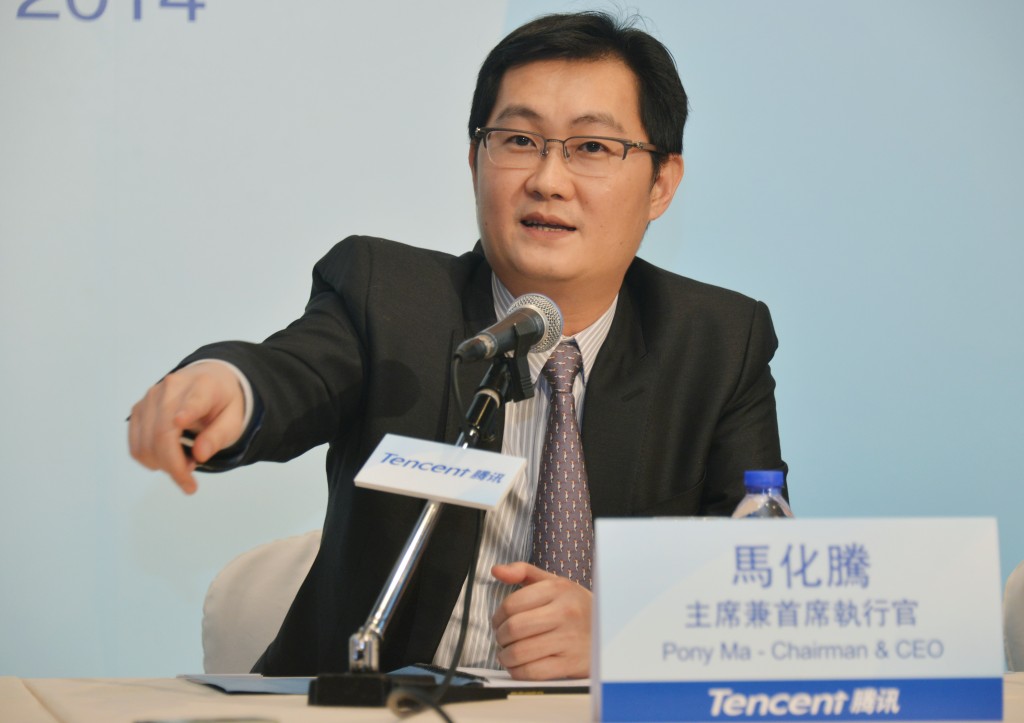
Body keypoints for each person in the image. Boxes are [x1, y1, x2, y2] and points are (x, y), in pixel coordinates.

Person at [128, 11, 786, 680]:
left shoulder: (718, 343)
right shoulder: (389, 299)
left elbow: (758, 584)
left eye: (591, 147)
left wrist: (621, 632)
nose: (548, 180)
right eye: (519, 140)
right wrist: (230, 387)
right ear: (475, 161)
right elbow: (293, 372)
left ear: (661, 184)